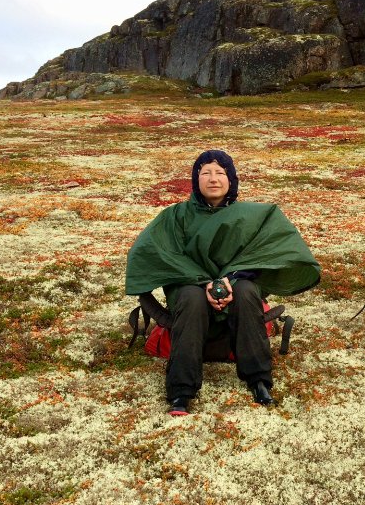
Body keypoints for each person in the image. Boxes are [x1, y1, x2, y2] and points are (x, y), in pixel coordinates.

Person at [125, 150, 320, 415]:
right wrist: (204, 281)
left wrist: (232, 279)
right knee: (191, 299)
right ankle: (181, 390)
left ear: (231, 179)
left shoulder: (256, 215)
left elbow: (263, 253)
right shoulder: (176, 216)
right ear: (196, 180)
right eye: (205, 173)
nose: (213, 179)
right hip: (188, 286)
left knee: (247, 291)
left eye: (220, 172)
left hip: (239, 283)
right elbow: (156, 252)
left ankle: (259, 379)